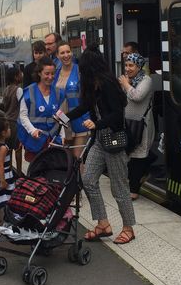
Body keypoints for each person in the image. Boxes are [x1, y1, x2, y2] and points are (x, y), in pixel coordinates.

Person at [60, 43, 136, 244]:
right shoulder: (92, 84)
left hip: (114, 139)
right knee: (89, 180)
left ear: (90, 68)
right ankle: (103, 223)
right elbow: (85, 106)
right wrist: (64, 117)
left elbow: (117, 114)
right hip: (100, 141)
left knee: (118, 187)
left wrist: (96, 123)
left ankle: (128, 228)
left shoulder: (108, 84)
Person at [118, 53, 156, 200]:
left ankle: (134, 190)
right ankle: (148, 166)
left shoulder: (146, 80)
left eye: (131, 65)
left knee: (137, 157)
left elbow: (137, 96)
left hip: (142, 125)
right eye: (126, 65)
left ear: (139, 67)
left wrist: (126, 85)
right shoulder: (127, 80)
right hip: (128, 124)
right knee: (130, 155)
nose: (127, 68)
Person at [17, 56, 65, 162]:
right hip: (35, 140)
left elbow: (60, 114)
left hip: (53, 139)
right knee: (36, 171)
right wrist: (32, 130)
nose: (50, 77)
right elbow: (23, 116)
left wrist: (62, 136)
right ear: (39, 73)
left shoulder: (59, 93)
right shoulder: (28, 92)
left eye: (52, 74)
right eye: (47, 73)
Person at [54, 41, 89, 159]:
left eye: (68, 52)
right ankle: (73, 178)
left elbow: (87, 98)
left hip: (80, 121)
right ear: (57, 56)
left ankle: (81, 178)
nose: (66, 55)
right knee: (67, 158)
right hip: (63, 121)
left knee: (77, 157)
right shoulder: (56, 73)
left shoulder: (80, 71)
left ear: (72, 53)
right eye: (62, 53)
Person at [0, 65, 23, 174]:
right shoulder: (19, 90)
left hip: (6, 122)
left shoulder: (6, 89)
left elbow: (1, 106)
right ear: (15, 77)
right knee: (18, 149)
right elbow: (23, 106)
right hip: (15, 123)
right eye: (20, 74)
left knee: (7, 149)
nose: (21, 75)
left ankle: (8, 170)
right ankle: (19, 173)